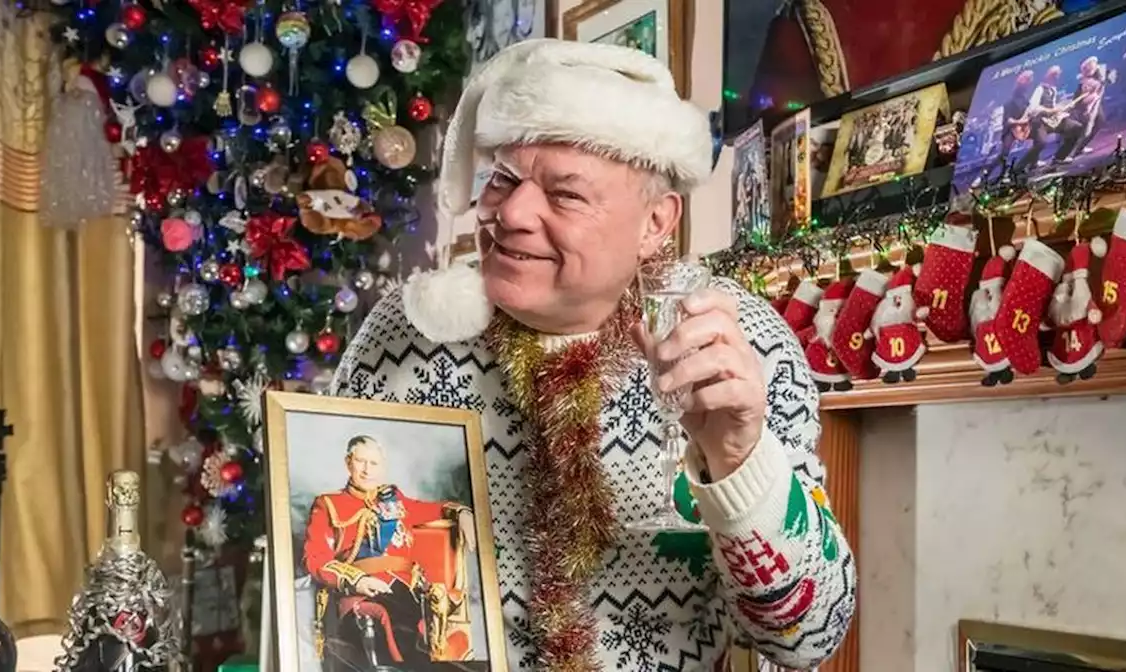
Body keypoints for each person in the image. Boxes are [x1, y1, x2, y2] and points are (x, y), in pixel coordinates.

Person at [331, 39, 855, 670]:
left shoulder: (736, 344)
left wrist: (739, 460)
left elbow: (808, 640)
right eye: (503, 178)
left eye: (566, 195)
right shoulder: (405, 331)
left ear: (655, 223)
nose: (512, 213)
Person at [302, 435, 476, 667]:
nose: (367, 470)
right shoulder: (328, 504)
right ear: (348, 462)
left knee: (426, 626)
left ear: (382, 467)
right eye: (360, 461)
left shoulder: (395, 501)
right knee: (400, 626)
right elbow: (314, 559)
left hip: (407, 590)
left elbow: (430, 510)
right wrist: (357, 580)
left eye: (373, 463)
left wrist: (461, 512)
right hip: (361, 592)